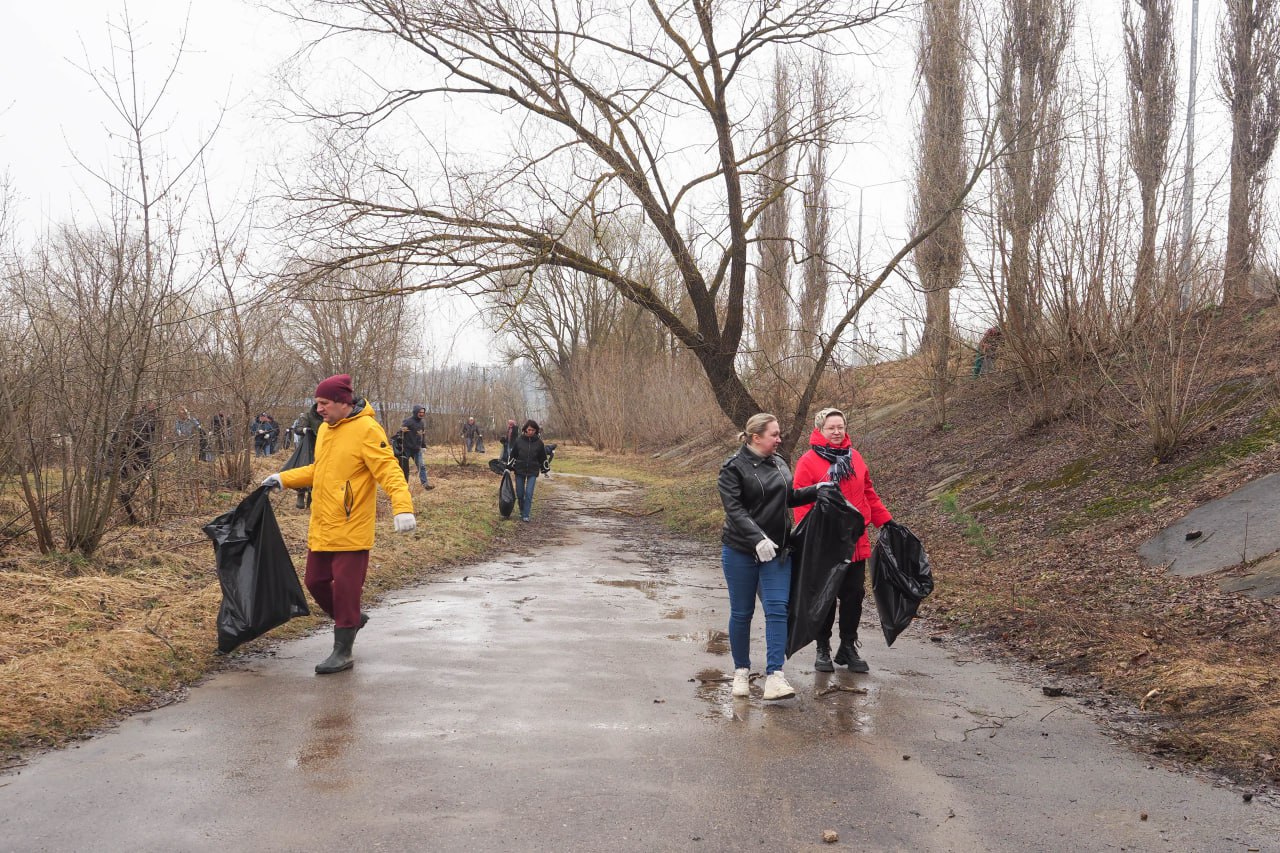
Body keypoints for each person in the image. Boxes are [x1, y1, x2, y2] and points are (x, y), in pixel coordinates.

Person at [263, 374, 417, 675]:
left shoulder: (367, 430)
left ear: (342, 403)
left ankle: (343, 649)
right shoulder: (326, 430)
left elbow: (389, 469)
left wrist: (402, 507)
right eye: (318, 403)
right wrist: (283, 478)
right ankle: (352, 619)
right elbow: (320, 470)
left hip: (351, 525)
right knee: (314, 582)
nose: (318, 408)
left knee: (346, 589)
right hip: (323, 523)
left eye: (324, 403)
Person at [718, 413, 827, 701]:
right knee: (742, 613)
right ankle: (741, 671)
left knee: (778, 608)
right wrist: (756, 539)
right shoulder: (733, 468)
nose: (780, 439)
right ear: (756, 437)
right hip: (740, 550)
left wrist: (817, 490)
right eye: (774, 434)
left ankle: (775, 675)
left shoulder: (779, 462)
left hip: (778, 552)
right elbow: (735, 510)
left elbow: (788, 497)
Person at [792, 408, 893, 674]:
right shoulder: (808, 461)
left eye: (840, 427)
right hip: (826, 544)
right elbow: (801, 503)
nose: (837, 432)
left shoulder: (855, 458)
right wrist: (810, 537)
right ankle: (822, 648)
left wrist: (886, 521)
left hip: (856, 541)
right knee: (826, 596)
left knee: (854, 596)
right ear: (820, 430)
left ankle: (848, 645)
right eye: (831, 428)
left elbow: (868, 493)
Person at [116, 402, 158, 524]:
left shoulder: (135, 420)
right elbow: (144, 442)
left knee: (131, 477)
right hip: (135, 453)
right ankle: (127, 498)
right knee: (138, 472)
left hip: (130, 454)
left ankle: (128, 496)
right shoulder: (145, 421)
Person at [283, 404, 322, 509]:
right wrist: (305, 430)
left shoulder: (328, 417)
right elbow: (297, 429)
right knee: (303, 468)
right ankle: (300, 495)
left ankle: (311, 498)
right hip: (306, 446)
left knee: (318, 471)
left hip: (322, 447)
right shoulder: (307, 415)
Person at [508, 419, 548, 522]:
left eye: (533, 430)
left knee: (529, 493)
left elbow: (543, 457)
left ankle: (526, 514)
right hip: (519, 469)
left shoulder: (539, 443)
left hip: (532, 471)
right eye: (529, 430)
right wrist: (508, 467)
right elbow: (513, 455)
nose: (531, 432)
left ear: (536, 431)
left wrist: (545, 469)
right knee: (520, 494)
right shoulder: (519, 441)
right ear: (525, 429)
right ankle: (522, 511)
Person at [399, 405, 431, 489]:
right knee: (404, 468)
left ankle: (425, 484)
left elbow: (422, 434)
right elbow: (399, 432)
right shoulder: (408, 421)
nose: (421, 414)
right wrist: (402, 432)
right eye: (420, 412)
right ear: (416, 412)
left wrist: (423, 446)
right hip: (407, 449)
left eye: (423, 413)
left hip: (417, 449)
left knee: (421, 466)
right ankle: (403, 485)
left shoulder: (422, 423)